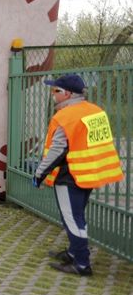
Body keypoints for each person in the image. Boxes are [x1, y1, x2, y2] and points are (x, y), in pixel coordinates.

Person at [32, 73, 123, 276]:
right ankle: (73, 253)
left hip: (69, 175)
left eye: (56, 91)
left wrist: (39, 174)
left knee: (73, 219)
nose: (52, 94)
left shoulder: (66, 117)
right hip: (88, 174)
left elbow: (57, 150)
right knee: (77, 215)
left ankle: (81, 264)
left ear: (68, 94)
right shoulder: (96, 111)